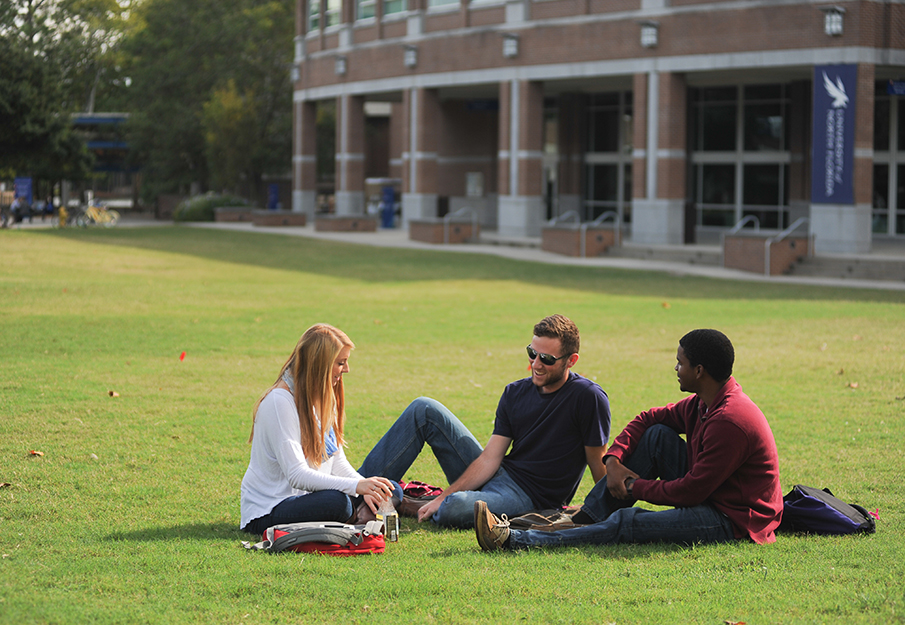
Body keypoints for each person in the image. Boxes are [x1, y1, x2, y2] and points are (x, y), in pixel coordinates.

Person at [475, 328, 783, 551]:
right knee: (657, 436)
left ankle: (514, 541)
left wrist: (634, 486)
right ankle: (582, 519)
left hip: (732, 519)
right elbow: (648, 419)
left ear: (699, 371)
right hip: (715, 494)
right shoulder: (704, 401)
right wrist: (614, 460)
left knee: (627, 522)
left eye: (680, 363)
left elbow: (691, 492)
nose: (675, 368)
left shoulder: (730, 421)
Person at [358, 314, 611, 529]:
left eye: (546, 359)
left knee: (454, 508)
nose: (536, 364)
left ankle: (412, 505)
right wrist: (444, 495)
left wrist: (604, 508)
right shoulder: (514, 392)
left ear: (571, 360)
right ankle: (354, 491)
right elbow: (490, 457)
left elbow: (597, 461)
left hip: (530, 497)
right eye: (532, 353)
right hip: (500, 473)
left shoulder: (588, 398)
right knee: (423, 408)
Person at [240, 324, 400, 535]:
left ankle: (359, 514)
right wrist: (356, 487)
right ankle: (357, 516)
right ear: (320, 365)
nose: (347, 369)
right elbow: (296, 475)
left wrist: (364, 486)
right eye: (340, 363)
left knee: (390, 489)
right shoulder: (279, 402)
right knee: (338, 503)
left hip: (309, 496)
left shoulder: (322, 396)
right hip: (271, 509)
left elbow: (337, 462)